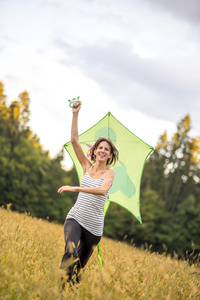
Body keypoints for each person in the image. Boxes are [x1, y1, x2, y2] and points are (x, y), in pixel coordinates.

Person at [57, 101, 119, 284]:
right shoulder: (86, 166)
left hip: (94, 228)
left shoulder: (110, 173)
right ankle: (59, 291)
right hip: (76, 217)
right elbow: (75, 141)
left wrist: (76, 188)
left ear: (109, 155)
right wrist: (75, 114)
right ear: (94, 151)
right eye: (100, 147)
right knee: (70, 252)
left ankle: (71, 292)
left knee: (79, 267)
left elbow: (102, 190)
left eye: (106, 149)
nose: (102, 150)